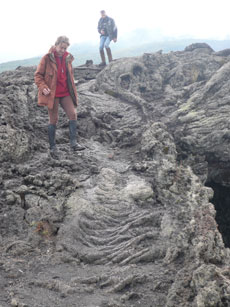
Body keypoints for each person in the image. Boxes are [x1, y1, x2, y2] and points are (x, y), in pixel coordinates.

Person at [34, 36, 85, 159]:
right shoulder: (46, 58)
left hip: (66, 93)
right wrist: (42, 86)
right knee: (53, 120)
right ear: (56, 45)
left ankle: (73, 143)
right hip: (53, 95)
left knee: (73, 114)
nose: (62, 50)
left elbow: (68, 76)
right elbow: (38, 76)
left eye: (65, 48)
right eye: (61, 47)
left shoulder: (68, 58)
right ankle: (52, 147)